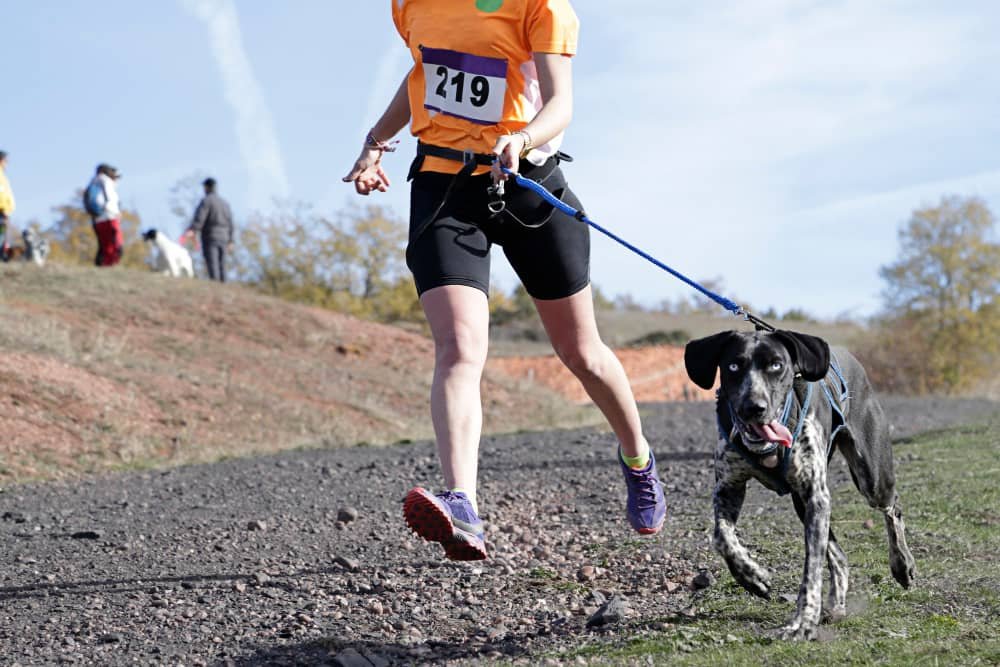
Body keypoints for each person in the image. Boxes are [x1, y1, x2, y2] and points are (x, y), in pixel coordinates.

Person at [343, 0, 666, 561]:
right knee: (459, 348)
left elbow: (560, 101)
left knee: (581, 351)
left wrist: (521, 136)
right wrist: (375, 141)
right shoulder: (411, 4)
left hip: (525, 181)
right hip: (445, 189)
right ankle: (461, 504)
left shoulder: (542, 6)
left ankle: (637, 457)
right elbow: (424, 70)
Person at [182, 177, 234, 282]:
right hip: (224, 237)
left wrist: (193, 229)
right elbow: (231, 224)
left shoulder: (206, 201)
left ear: (206, 187)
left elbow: (200, 217)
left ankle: (216, 287)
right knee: (222, 264)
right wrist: (231, 240)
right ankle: (224, 287)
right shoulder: (225, 204)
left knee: (213, 263)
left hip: (211, 237)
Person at [84, 164, 123, 267]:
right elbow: (110, 199)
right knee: (115, 245)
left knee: (104, 245)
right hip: (109, 217)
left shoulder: (93, 181)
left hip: (97, 219)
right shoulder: (106, 181)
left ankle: (103, 266)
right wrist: (116, 213)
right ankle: (110, 266)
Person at [0, 151, 14, 259]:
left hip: (4, 211)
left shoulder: (2, 175)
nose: (7, 163)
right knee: (2, 233)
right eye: (6, 161)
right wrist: (3, 208)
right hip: (1, 211)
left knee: (4, 233)